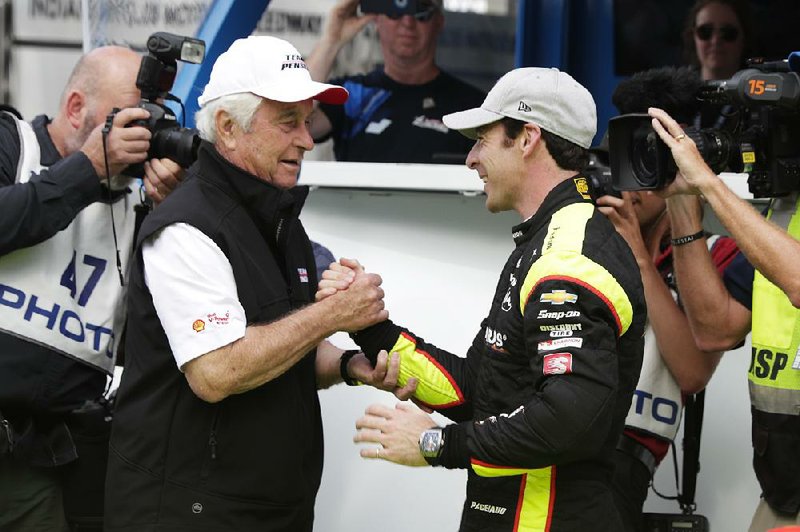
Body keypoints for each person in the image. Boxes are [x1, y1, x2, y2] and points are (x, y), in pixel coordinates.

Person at [103, 36, 416, 532]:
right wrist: (333, 314)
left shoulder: (276, 216)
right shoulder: (187, 228)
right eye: (288, 121)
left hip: (263, 511)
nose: (308, 139)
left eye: (308, 119)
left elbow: (280, 350)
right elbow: (219, 370)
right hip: (190, 513)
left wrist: (351, 365)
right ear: (228, 127)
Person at [319, 67, 648, 531]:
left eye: (482, 138)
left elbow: (570, 417)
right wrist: (367, 326)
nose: (471, 158)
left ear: (528, 137)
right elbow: (479, 390)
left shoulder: (568, 254)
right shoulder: (542, 244)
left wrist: (437, 445)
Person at [0, 45, 184, 531]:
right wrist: (87, 168)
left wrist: (170, 213)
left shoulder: (133, 199)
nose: (139, 136)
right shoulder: (12, 143)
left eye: (149, 121)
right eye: (124, 119)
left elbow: (145, 333)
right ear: (76, 107)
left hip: (40, 455)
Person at [596, 66, 738, 531]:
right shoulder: (593, 235)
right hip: (563, 434)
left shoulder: (719, 253)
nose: (628, 179)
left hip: (628, 457)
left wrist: (639, 256)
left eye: (643, 158)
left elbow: (694, 373)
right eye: (621, 156)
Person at [650, 106, 800, 532]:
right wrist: (682, 200)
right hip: (784, 489)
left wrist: (709, 184)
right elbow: (714, 328)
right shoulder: (784, 212)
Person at [306, 0, 485, 163]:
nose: (407, 22)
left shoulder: (473, 107)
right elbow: (291, 122)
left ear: (439, 21)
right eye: (394, 10)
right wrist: (332, 40)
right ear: (376, 18)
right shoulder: (351, 94)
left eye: (420, 10)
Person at [682, 0, 754, 82]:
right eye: (705, 31)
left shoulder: (764, 92)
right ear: (693, 37)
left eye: (727, 32)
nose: (715, 41)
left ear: (744, 38)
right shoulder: (672, 93)